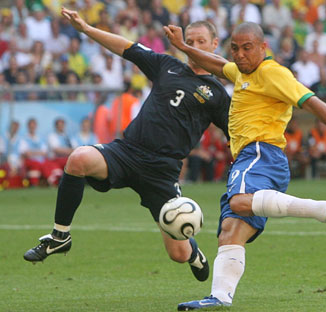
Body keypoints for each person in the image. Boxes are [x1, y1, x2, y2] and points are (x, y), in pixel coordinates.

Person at [164, 21, 326, 310]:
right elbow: (217, 64)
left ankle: (325, 209)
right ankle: (220, 297)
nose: (240, 54)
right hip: (250, 159)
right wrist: (183, 48)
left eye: (247, 48)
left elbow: (313, 102)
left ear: (263, 47)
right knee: (231, 231)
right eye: (235, 48)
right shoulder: (242, 72)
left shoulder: (273, 73)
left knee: (238, 203)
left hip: (260, 152)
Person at [23, 8, 231, 285]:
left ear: (214, 44)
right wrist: (86, 29)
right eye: (189, 41)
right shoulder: (166, 65)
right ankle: (60, 237)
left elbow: (236, 133)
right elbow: (126, 47)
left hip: (162, 171)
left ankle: (194, 254)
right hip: (127, 152)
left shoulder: (217, 93)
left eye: (200, 42)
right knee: (78, 159)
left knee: (178, 253)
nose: (193, 47)